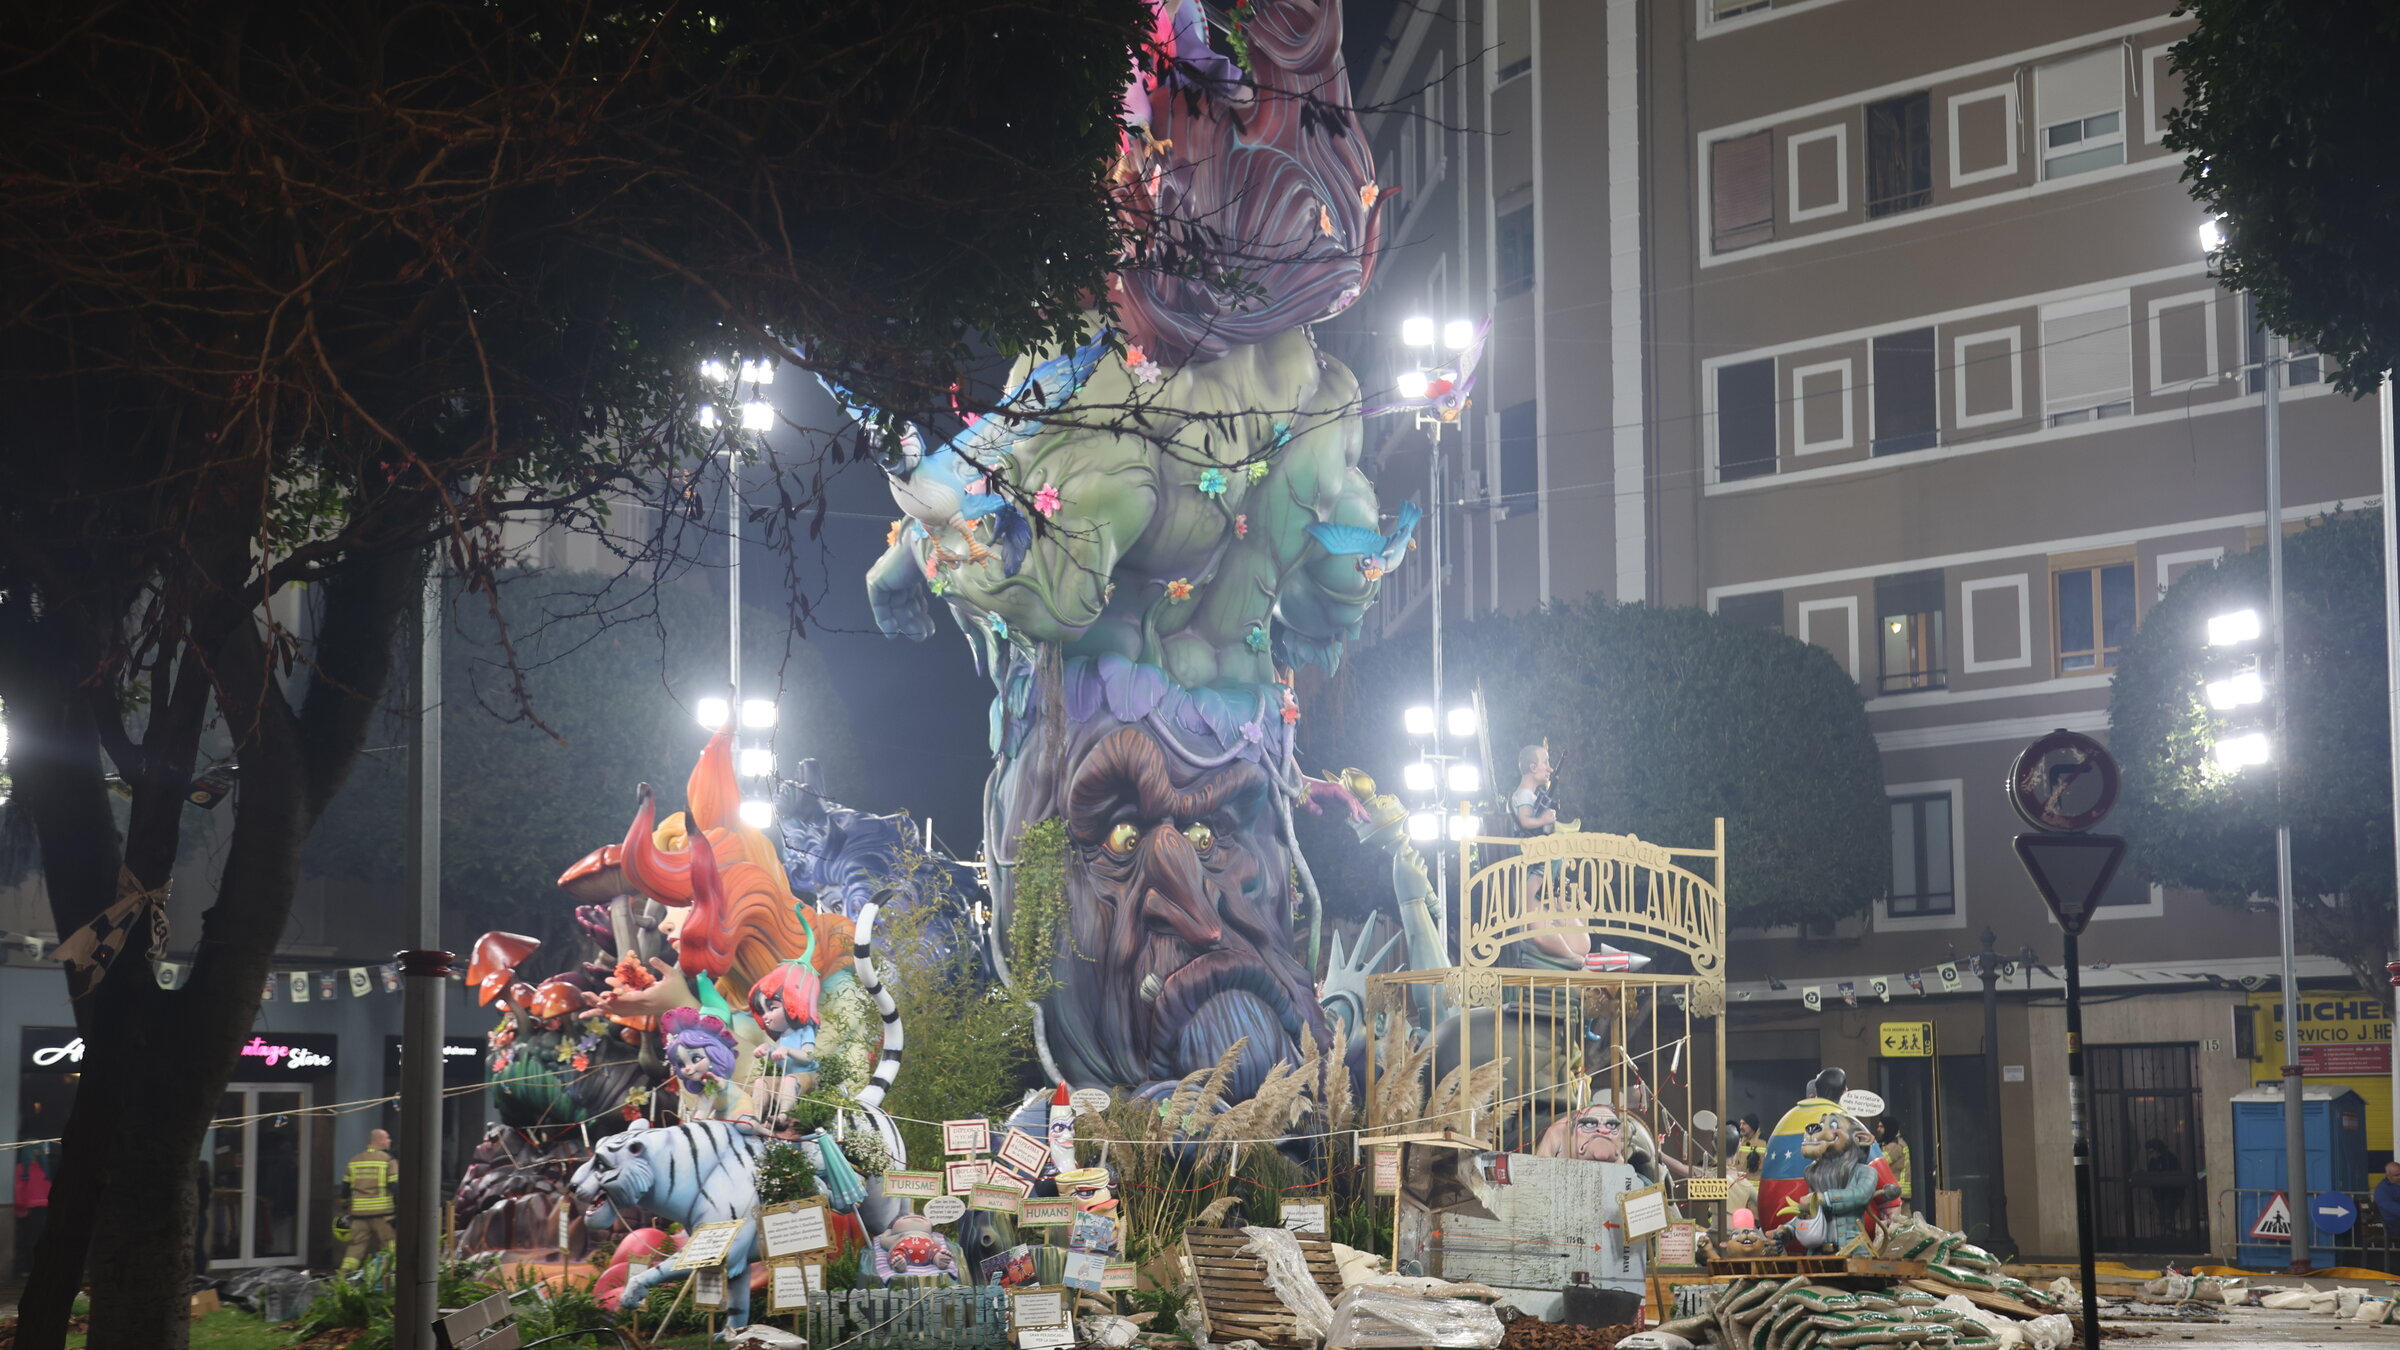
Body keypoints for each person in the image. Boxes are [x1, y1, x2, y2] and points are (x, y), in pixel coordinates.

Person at [340, 1128, 398, 1273]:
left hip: (359, 1214)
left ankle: (343, 1276)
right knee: (390, 1245)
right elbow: (394, 1186)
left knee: (355, 1246)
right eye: (387, 1138)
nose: (390, 1141)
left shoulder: (354, 1160)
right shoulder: (388, 1160)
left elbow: (345, 1188)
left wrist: (344, 1205)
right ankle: (390, 1278)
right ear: (378, 1141)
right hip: (383, 1214)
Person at [1873, 1117, 1914, 1216]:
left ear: (1889, 1128)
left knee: (1898, 1223)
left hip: (1897, 1193)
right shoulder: (1891, 1143)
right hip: (1897, 1192)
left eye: (1881, 1126)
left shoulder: (1895, 1146)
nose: (1878, 1129)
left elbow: (1880, 1163)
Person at [2372, 1161, 2400, 1242]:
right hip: (2391, 1224)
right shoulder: (2382, 1189)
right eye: (2396, 1175)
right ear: (2388, 1175)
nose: (2399, 1177)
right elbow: (2390, 1207)